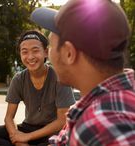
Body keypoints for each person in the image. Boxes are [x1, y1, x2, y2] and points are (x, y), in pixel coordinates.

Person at [30, 0, 135, 145]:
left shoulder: (102, 126)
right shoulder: (102, 101)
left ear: (69, 53)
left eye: (50, 46)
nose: (48, 54)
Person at [0, 30, 75, 146]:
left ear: (46, 52)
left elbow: (62, 121)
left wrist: (27, 137)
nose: (30, 57)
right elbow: (9, 118)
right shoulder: (18, 79)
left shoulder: (59, 77)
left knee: (62, 142)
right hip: (27, 127)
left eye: (35, 51)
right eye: (24, 52)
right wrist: (16, 136)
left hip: (51, 132)